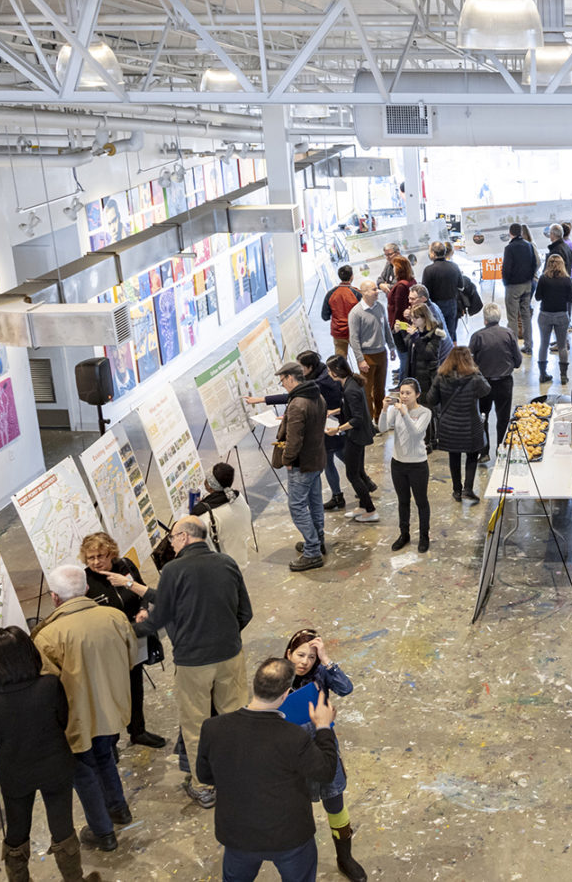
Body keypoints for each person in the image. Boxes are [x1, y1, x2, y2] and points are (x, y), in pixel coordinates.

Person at [130, 515, 252, 809]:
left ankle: (204, 786)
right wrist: (224, 636)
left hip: (193, 663)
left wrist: (132, 628)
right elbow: (245, 612)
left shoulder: (173, 570)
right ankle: (240, 778)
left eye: (172, 538)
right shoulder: (227, 563)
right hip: (230, 656)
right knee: (235, 719)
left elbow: (160, 618)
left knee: (197, 725)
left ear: (183, 537)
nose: (171, 544)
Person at [0, 627, 102, 882]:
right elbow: (62, 720)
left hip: (15, 772)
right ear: (29, 652)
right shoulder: (49, 685)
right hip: (55, 766)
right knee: (62, 826)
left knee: (17, 831)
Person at [196, 657, 340, 882]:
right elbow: (326, 771)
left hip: (237, 834)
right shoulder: (294, 737)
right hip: (289, 837)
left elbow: (205, 775)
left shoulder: (213, 728)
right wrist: (323, 727)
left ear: (255, 686)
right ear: (286, 694)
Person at [33, 566, 136, 853]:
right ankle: (119, 809)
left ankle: (103, 833)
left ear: (54, 598)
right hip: (112, 709)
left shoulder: (47, 637)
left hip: (75, 719)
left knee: (83, 772)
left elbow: (47, 689)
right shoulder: (115, 617)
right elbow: (130, 657)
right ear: (87, 589)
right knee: (105, 757)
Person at [283, 631, 367, 881]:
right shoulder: (277, 678)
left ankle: (345, 858)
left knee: (336, 804)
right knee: (298, 812)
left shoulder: (320, 674)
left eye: (311, 657)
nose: (304, 662)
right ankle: (299, 864)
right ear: (288, 654)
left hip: (324, 748)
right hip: (293, 757)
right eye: (300, 655)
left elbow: (346, 688)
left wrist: (327, 659)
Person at [79, 533, 165, 748]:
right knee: (112, 693)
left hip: (134, 638)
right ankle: (112, 740)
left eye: (101, 556)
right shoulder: (84, 581)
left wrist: (144, 610)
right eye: (91, 558)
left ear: (112, 554)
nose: (96, 562)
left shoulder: (125, 565)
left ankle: (138, 731)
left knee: (135, 686)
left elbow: (143, 591)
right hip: (108, 645)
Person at [249, 351, 346, 513]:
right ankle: (358, 487)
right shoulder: (320, 373)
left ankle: (343, 494)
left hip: (328, 428)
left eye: (301, 366)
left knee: (333, 462)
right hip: (330, 426)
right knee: (341, 457)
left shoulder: (317, 383)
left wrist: (262, 400)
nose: (299, 371)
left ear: (309, 367)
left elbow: (290, 399)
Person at [263, 361, 327, 571]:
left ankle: (312, 551)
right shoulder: (317, 396)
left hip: (302, 464)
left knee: (297, 506)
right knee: (315, 502)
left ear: (291, 378)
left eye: (282, 381)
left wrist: (288, 460)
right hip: (317, 459)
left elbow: (294, 440)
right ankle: (318, 540)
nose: (283, 386)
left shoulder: (298, 404)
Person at [427, 347, 492, 502]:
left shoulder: (441, 377)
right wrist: (477, 371)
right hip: (470, 425)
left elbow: (431, 399)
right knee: (472, 455)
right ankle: (468, 489)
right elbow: (487, 390)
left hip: (449, 425)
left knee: (454, 457)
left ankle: (456, 490)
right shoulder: (475, 378)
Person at [379, 378, 433, 553]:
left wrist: (404, 413)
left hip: (417, 465)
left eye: (408, 393)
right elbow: (382, 428)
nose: (404, 396)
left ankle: (424, 536)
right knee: (403, 501)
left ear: (417, 394)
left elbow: (417, 434)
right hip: (398, 464)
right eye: (401, 393)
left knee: (421, 501)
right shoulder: (396, 410)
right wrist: (384, 409)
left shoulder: (425, 413)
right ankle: (404, 534)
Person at [326, 355, 378, 524]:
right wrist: (333, 412)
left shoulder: (350, 389)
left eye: (329, 370)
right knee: (358, 471)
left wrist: (338, 429)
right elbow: (350, 408)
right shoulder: (350, 383)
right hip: (357, 435)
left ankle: (370, 510)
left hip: (356, 436)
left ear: (336, 372)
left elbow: (357, 419)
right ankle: (363, 506)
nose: (328, 373)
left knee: (352, 474)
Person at [469, 306, 522, 460]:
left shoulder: (477, 337)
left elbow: (469, 363)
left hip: (483, 383)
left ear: (485, 320)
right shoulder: (509, 334)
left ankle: (484, 452)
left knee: (482, 417)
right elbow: (518, 361)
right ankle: (502, 450)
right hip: (504, 382)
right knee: (503, 418)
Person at [347, 281, 395, 416]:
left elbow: (386, 328)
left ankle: (380, 417)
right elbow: (354, 339)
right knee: (367, 391)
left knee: (380, 390)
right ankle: (369, 421)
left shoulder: (380, 307)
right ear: (364, 293)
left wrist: (391, 347)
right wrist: (360, 359)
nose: (377, 292)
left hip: (382, 354)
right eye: (374, 290)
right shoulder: (356, 313)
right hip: (367, 357)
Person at [189, 463, 251, 565]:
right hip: (241, 560)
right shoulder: (239, 498)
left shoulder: (207, 516)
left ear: (210, 486)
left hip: (221, 569)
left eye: (207, 479)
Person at [535, 254, 572, 383]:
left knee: (543, 344)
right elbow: (571, 299)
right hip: (561, 315)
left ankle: (543, 374)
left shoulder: (543, 279)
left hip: (545, 315)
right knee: (562, 345)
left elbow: (537, 297)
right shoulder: (567, 280)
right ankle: (563, 376)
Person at [501, 223, 539, 354]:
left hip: (513, 286)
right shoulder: (529, 245)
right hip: (527, 285)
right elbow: (535, 264)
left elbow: (506, 269)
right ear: (521, 232)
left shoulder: (509, 248)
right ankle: (529, 346)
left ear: (510, 233)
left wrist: (506, 283)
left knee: (512, 318)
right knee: (526, 316)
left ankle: (513, 349)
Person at [421, 241, 463, 339]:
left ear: (433, 253)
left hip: (436, 305)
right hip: (452, 303)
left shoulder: (428, 270)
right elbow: (461, 285)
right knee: (451, 333)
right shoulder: (454, 266)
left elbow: (425, 293)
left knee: (438, 334)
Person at [387, 256, 418, 376]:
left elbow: (399, 309)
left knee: (403, 355)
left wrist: (394, 328)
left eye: (394, 267)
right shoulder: (411, 282)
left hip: (400, 326)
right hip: (408, 323)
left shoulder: (401, 286)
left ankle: (403, 381)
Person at [324, 265, 359, 359]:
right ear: (352, 276)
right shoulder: (357, 293)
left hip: (338, 333)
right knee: (362, 360)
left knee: (340, 363)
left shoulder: (330, 294)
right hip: (354, 332)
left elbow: (325, 316)